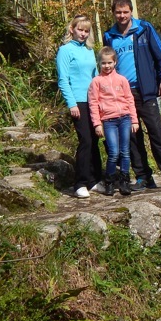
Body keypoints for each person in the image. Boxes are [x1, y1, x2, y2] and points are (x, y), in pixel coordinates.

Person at [102, 0, 161, 190]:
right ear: (114, 13)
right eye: (118, 12)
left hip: (145, 91)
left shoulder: (144, 29)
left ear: (131, 12)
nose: (122, 15)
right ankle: (143, 177)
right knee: (131, 137)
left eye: (125, 12)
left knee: (156, 132)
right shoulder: (109, 36)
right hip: (122, 95)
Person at [56, 14, 102, 198]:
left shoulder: (89, 50)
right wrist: (71, 103)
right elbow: (63, 79)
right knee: (86, 140)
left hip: (92, 101)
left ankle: (94, 180)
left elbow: (96, 76)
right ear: (72, 29)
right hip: (78, 102)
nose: (83, 34)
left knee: (95, 140)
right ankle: (80, 183)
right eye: (80, 29)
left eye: (86, 31)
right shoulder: (65, 50)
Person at [88, 47, 140, 196]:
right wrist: (97, 124)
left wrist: (134, 120)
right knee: (113, 152)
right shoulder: (96, 82)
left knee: (125, 152)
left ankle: (124, 182)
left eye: (110, 62)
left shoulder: (122, 80)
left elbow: (129, 100)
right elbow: (93, 103)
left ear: (115, 62)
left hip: (125, 118)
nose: (107, 66)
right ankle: (109, 182)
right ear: (99, 63)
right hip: (108, 120)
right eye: (104, 63)